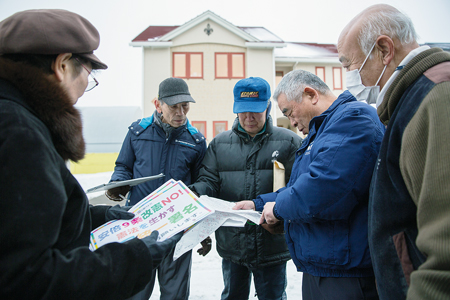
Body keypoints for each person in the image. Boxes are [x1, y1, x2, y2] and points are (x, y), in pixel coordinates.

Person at [0, 9, 182, 300]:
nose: (87, 87)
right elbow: (25, 277)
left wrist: (98, 216)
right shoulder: (20, 134)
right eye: (88, 75)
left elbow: (24, 222)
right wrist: (132, 259)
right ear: (61, 64)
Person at [234, 70, 385, 299]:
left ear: (310, 94)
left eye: (289, 112)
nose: (292, 122)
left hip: (346, 273)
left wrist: (276, 208)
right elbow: (300, 186)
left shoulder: (353, 120)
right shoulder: (323, 130)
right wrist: (257, 204)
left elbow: (323, 188)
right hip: (324, 265)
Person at [337, 4, 450, 299]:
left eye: (349, 65)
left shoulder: (436, 98)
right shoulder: (408, 101)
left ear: (384, 50)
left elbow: (444, 249)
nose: (350, 78)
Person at [190, 77, 302, 300]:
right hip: (233, 242)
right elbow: (209, 181)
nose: (249, 118)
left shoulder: (289, 142)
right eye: (243, 112)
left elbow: (297, 187)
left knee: (273, 296)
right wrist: (194, 192)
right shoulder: (220, 144)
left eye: (256, 112)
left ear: (267, 107)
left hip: (272, 243)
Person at [106, 77, 207, 300]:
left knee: (175, 295)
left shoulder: (197, 141)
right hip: (139, 227)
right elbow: (123, 166)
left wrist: (201, 226)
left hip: (177, 229)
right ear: (158, 105)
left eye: (185, 106)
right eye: (174, 106)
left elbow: (203, 183)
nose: (181, 112)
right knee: (136, 293)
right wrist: (117, 184)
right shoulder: (137, 132)